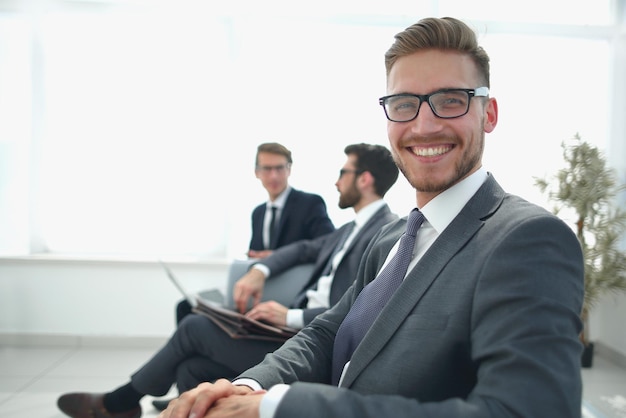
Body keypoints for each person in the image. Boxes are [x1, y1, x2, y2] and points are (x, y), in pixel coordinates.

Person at [157, 17, 585, 418]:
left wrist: (275, 408)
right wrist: (250, 386)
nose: (424, 125)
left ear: (488, 114)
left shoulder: (528, 240)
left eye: (450, 101)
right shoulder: (393, 237)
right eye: (404, 104)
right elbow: (325, 334)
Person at [56, 143, 400, 418]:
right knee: (193, 369)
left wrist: (290, 316)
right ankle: (155, 401)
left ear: (364, 179)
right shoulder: (348, 229)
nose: (336, 180)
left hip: (307, 339)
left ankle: (121, 402)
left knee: (194, 328)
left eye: (343, 172)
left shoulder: (385, 232)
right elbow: (300, 250)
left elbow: (359, 310)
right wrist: (259, 270)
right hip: (286, 328)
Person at [175, 142, 335, 324]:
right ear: (256, 172)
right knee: (187, 306)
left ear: (289, 170)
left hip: (290, 291)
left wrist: (275, 257)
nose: (274, 175)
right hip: (260, 289)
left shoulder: (309, 203)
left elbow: (328, 245)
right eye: (267, 169)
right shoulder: (258, 213)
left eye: (280, 168)